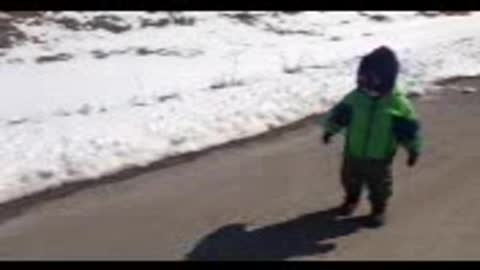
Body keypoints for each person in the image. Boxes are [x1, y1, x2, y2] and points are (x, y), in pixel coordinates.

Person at [321, 46, 423, 227]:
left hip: (379, 157)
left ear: (384, 80)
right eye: (361, 77)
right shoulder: (355, 98)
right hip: (353, 152)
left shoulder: (397, 105)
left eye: (368, 78)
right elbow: (340, 115)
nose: (362, 82)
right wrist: (330, 130)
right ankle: (351, 199)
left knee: (379, 186)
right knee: (349, 179)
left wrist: (413, 149)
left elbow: (409, 130)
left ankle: (378, 209)